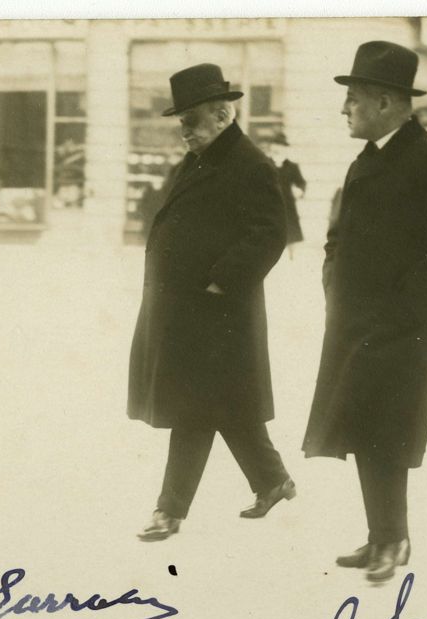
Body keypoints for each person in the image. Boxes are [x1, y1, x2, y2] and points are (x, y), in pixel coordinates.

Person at [303, 41, 427, 581]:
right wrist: (333, 279)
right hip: (357, 322)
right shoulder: (368, 159)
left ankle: (393, 541)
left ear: (384, 102)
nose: (344, 110)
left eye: (352, 100)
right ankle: (381, 536)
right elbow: (338, 235)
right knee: (362, 427)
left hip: (407, 328)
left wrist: (404, 308)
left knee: (388, 432)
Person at [128, 63, 295, 542]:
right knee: (223, 405)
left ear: (223, 115)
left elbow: (269, 234)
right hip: (188, 310)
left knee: (193, 409)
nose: (183, 129)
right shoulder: (201, 159)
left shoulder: (250, 163)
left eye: (191, 119)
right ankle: (272, 481)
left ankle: (169, 511)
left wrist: (221, 282)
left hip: (216, 312)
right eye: (180, 120)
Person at [266, 133, 307, 258]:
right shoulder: (265, 164)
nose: (277, 149)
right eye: (275, 145)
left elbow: (301, 182)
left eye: (281, 146)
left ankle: (292, 259)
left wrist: (299, 190)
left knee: (291, 235)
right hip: (270, 205)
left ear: (285, 148)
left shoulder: (291, 166)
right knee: (270, 235)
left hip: (288, 205)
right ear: (271, 147)